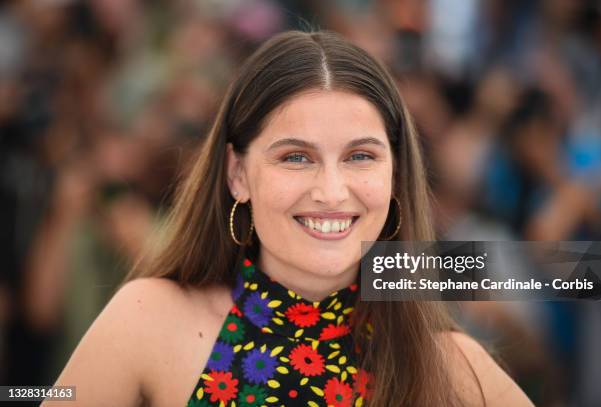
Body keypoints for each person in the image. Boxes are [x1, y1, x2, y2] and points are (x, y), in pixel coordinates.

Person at [46, 30, 533, 407]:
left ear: (395, 174)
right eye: (296, 157)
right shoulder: (149, 318)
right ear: (237, 174)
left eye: (361, 156)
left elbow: (581, 272)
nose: (331, 191)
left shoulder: (445, 362)